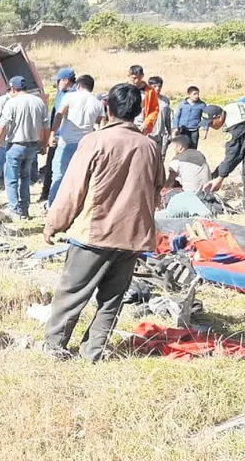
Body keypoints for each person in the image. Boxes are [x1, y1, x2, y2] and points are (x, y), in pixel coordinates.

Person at [42, 83, 163, 362]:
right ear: (137, 112)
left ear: (107, 108)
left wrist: (54, 224)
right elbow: (157, 192)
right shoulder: (150, 147)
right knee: (112, 299)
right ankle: (94, 350)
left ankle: (54, 346)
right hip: (132, 236)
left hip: (94, 233)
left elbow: (73, 189)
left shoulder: (95, 141)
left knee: (72, 293)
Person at [0, 76, 50, 220]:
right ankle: (24, 209)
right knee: (25, 177)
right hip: (32, 146)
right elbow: (46, 127)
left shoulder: (12, 103)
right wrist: (44, 144)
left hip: (15, 145)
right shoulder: (39, 102)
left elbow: (2, 125)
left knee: (11, 180)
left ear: (12, 89)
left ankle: (15, 211)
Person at [48, 74, 105, 206]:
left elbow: (59, 115)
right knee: (81, 179)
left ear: (78, 85)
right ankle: (76, 207)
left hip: (66, 143)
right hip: (86, 146)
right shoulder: (97, 103)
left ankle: (53, 205)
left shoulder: (70, 97)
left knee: (59, 176)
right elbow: (101, 125)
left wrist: (52, 134)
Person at [39, 68, 76, 203]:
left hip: (64, 136)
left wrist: (53, 134)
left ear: (66, 81)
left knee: (60, 167)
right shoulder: (60, 93)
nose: (57, 84)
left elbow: (60, 116)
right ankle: (46, 193)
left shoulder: (73, 96)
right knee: (50, 165)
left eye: (58, 81)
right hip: (56, 135)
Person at [130, 65, 160, 135]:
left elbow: (155, 110)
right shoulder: (124, 89)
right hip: (126, 123)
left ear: (142, 76)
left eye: (139, 78)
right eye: (134, 78)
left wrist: (146, 122)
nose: (137, 80)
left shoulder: (150, 91)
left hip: (141, 125)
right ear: (129, 76)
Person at [148, 76, 172, 159]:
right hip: (148, 134)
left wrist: (170, 132)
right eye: (155, 86)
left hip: (161, 134)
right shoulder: (144, 99)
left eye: (159, 86)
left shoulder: (165, 101)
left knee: (161, 157)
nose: (158, 88)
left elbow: (167, 117)